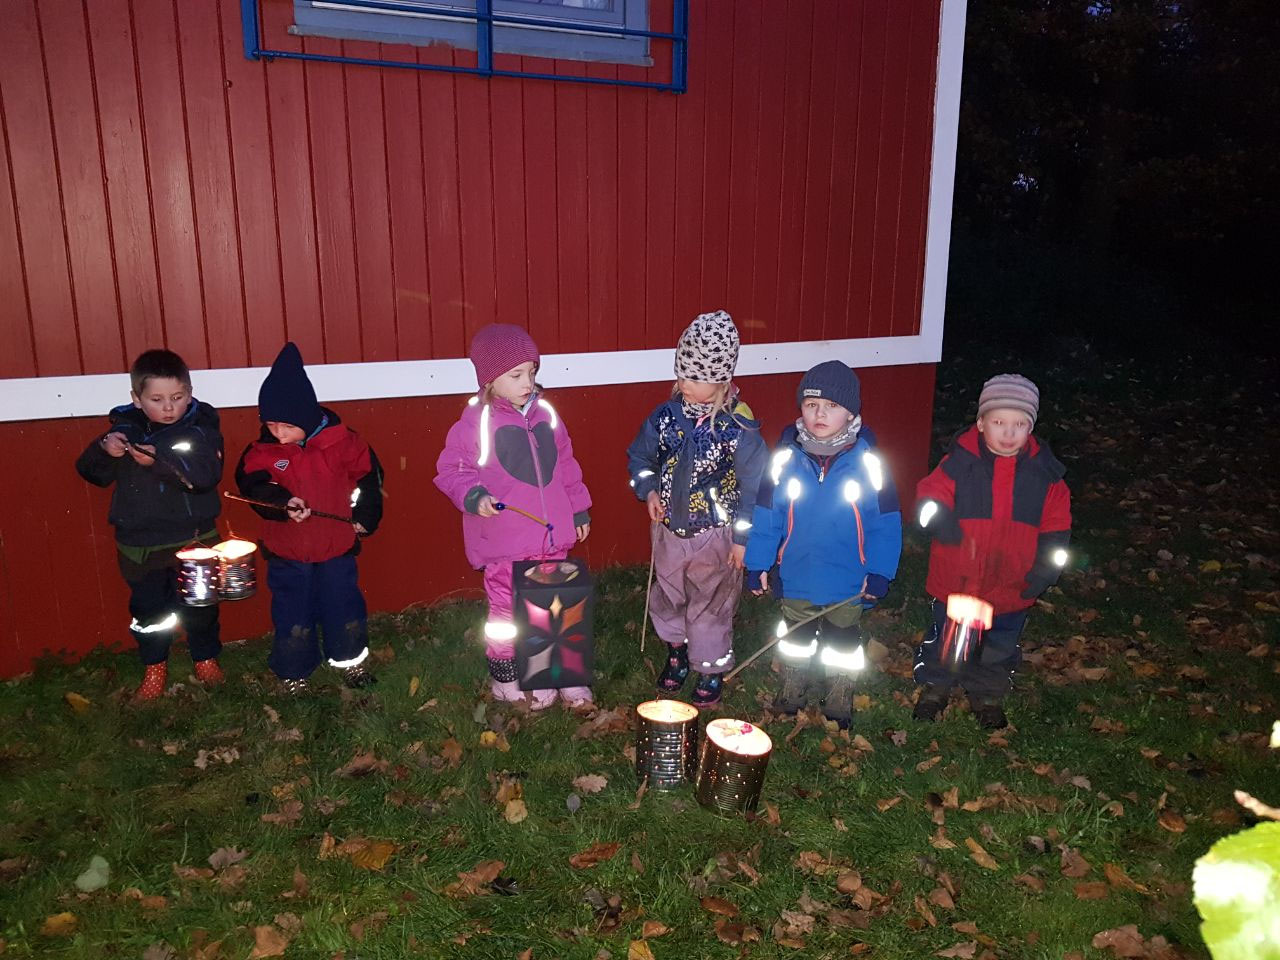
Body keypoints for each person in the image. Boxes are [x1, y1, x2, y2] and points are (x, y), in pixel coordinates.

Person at [435, 324, 593, 709]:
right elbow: (452, 469)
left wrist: (578, 507)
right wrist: (474, 496)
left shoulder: (547, 415)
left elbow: (566, 464)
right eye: (516, 375)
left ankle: (558, 674)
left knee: (554, 604)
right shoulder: (476, 421)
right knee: (507, 612)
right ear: (491, 379)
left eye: (532, 372)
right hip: (506, 540)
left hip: (552, 536)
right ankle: (507, 676)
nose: (528, 382)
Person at [743, 360, 902, 727]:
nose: (820, 413)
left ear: (850, 413)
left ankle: (839, 688)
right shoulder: (785, 459)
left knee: (841, 638)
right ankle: (794, 683)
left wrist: (879, 571)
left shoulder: (868, 463)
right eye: (812, 404)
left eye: (831, 406)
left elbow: (886, 522)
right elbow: (767, 516)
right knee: (795, 634)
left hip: (847, 576)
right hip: (797, 570)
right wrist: (758, 564)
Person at [912, 373, 1072, 729]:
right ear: (982, 423)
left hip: (1011, 582)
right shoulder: (958, 464)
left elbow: (1057, 529)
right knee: (946, 640)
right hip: (958, 578)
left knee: (999, 643)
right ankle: (936, 687)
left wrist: (1047, 568)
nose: (1008, 432)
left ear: (1031, 428)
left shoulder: (1046, 477)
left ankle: (987, 692)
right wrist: (938, 518)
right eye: (999, 422)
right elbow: (929, 497)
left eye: (1019, 424)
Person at [626, 310, 767, 708]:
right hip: (670, 530)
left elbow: (754, 487)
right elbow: (640, 458)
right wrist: (649, 489)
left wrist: (742, 539)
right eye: (681, 373)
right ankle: (677, 653)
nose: (682, 383)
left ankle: (709, 666)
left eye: (693, 376)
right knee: (670, 596)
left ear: (720, 379)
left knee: (710, 602)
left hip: (715, 537)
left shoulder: (737, 430)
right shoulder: (665, 418)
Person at [75, 349, 226, 702]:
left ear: (190, 393)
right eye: (157, 399)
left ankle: (205, 659)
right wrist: (103, 448)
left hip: (194, 540)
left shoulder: (203, 429)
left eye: (177, 397)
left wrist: (156, 461)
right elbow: (90, 472)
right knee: (149, 613)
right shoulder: (124, 432)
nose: (169, 407)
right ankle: (154, 667)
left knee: (200, 608)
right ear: (137, 399)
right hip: (141, 546)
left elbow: (204, 475)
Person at [235, 343, 383, 694]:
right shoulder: (262, 453)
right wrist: (283, 503)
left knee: (343, 606)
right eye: (270, 425)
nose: (278, 434)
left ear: (306, 418)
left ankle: (349, 661)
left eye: (286, 426)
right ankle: (294, 671)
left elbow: (369, 480)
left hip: (336, 548)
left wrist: (364, 516)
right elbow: (254, 487)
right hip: (289, 553)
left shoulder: (344, 443)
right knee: (293, 614)